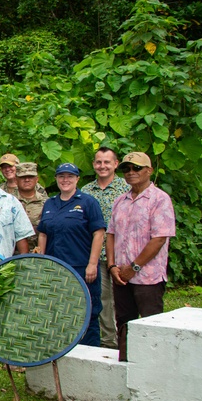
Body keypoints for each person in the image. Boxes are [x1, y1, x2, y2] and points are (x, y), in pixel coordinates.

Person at [105, 152, 175, 362]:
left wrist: (133, 268)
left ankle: (154, 369)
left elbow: (159, 239)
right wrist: (112, 266)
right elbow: (111, 234)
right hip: (121, 276)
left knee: (151, 325)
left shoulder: (160, 199)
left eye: (136, 168)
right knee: (124, 323)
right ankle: (125, 366)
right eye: (126, 169)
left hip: (148, 278)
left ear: (149, 171)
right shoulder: (121, 201)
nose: (131, 172)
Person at [36, 163, 105, 347]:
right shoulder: (50, 203)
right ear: (56, 179)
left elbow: (98, 233)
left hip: (81, 267)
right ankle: (63, 350)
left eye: (70, 176)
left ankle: (90, 353)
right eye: (61, 176)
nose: (65, 180)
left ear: (77, 179)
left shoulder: (88, 202)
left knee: (88, 312)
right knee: (58, 310)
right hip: (56, 268)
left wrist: (92, 264)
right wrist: (41, 258)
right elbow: (43, 232)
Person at [81, 147, 129, 350]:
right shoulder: (85, 191)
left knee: (125, 301)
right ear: (93, 165)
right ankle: (110, 342)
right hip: (95, 255)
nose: (102, 166)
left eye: (107, 162)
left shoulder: (126, 189)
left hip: (122, 255)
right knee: (103, 300)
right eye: (99, 162)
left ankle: (128, 340)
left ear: (116, 164)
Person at [14, 162, 45, 251]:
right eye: (22, 177)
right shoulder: (8, 202)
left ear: (37, 179)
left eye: (30, 177)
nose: (27, 180)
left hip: (40, 252)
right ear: (16, 180)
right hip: (13, 254)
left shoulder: (47, 202)